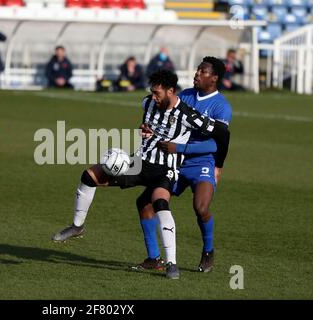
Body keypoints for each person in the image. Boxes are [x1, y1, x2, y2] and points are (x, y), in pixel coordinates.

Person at [51, 69, 230, 279]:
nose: (153, 97)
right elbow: (148, 125)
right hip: (139, 162)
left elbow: (222, 133)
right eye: (152, 93)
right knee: (89, 176)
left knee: (160, 204)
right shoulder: (148, 103)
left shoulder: (189, 115)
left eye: (158, 93)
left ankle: (171, 263)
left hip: (165, 169)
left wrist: (215, 162)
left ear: (171, 91)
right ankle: (77, 226)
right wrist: (144, 129)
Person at [133, 56, 232, 273]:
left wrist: (185, 150)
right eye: (197, 70)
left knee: (201, 207)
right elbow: (160, 117)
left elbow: (217, 143)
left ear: (214, 78)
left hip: (201, 161)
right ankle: (154, 258)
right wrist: (148, 129)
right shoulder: (184, 95)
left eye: (202, 71)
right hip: (173, 161)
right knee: (146, 202)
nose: (197, 73)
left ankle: (208, 251)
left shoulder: (221, 106)